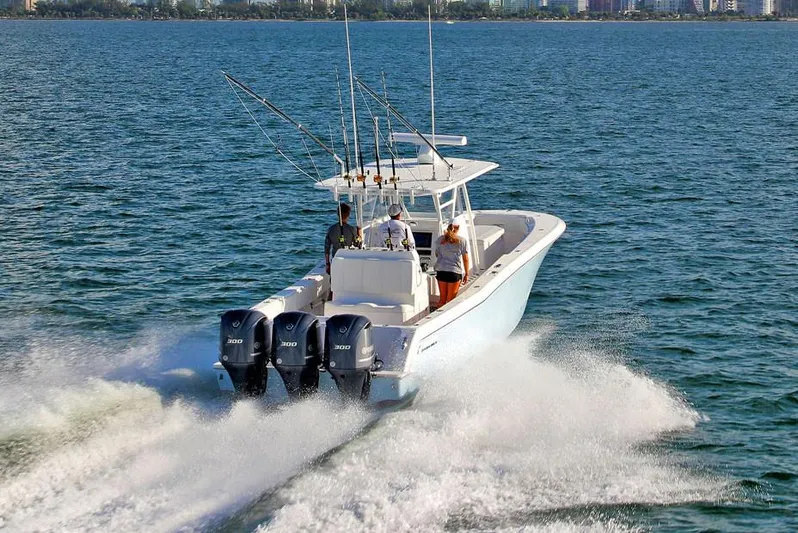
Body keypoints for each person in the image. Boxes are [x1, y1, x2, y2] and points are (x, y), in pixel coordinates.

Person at [433, 221, 469, 307]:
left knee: (442, 300)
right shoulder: (462, 240)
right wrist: (467, 274)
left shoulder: (439, 239)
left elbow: (437, 254)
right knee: (450, 302)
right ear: (458, 228)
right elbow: (466, 259)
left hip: (441, 271)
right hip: (454, 272)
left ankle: (438, 314)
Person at [324, 203, 361, 274]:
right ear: (348, 215)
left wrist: (327, 263)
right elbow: (358, 244)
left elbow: (327, 249)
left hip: (335, 260)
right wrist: (359, 234)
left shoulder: (331, 229)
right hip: (347, 259)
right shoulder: (351, 229)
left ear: (338, 214)